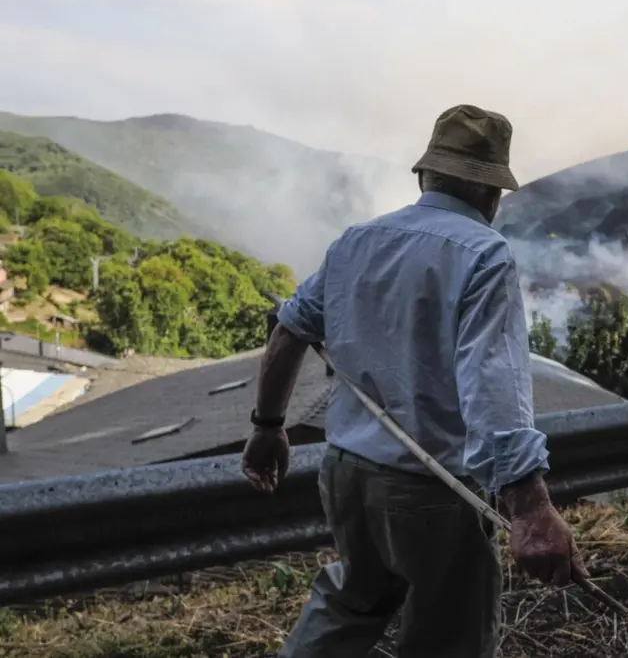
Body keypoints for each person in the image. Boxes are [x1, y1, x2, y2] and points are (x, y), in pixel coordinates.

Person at [241, 104, 588, 658]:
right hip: (431, 492)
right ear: (492, 194)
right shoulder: (484, 253)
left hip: (346, 475)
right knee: (448, 639)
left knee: (351, 601)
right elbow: (493, 386)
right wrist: (530, 508)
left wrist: (267, 426)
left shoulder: (356, 240)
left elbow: (288, 330)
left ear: (425, 175)